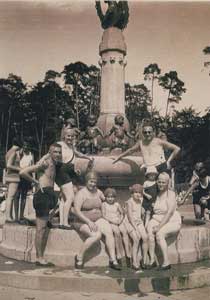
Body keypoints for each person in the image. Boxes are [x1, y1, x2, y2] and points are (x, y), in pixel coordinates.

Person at [20, 143, 62, 266]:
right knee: (41, 229)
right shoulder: (45, 163)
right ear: (50, 152)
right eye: (55, 152)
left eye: (59, 152)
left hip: (49, 194)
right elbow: (23, 172)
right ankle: (39, 257)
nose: (58, 154)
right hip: (42, 195)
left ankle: (40, 255)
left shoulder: (54, 163)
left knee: (44, 225)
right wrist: (35, 182)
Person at [73, 171, 121, 270]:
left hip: (98, 219)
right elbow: (76, 211)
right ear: (86, 181)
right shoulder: (81, 194)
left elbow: (108, 200)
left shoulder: (98, 192)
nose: (93, 184)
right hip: (82, 221)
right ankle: (79, 257)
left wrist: (116, 210)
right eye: (91, 181)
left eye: (95, 182)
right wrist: (88, 222)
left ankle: (113, 259)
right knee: (97, 235)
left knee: (109, 231)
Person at [56, 128, 94, 229]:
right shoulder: (59, 145)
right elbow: (53, 156)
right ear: (64, 136)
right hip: (62, 171)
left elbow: (76, 154)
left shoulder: (71, 146)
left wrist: (87, 158)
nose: (70, 138)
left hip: (68, 171)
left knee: (64, 199)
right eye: (68, 136)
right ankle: (64, 223)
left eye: (72, 136)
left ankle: (61, 222)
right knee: (70, 197)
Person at [113, 120, 180, 175]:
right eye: (145, 132)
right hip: (149, 169)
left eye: (149, 132)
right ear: (143, 133)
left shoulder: (158, 141)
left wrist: (168, 161)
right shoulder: (141, 142)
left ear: (153, 132)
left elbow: (177, 149)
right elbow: (130, 150)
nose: (147, 134)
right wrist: (119, 156)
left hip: (161, 167)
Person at [147, 172, 182, 270]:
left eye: (163, 182)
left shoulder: (170, 194)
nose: (161, 184)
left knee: (159, 234)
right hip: (157, 218)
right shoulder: (156, 193)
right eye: (159, 182)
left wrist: (159, 227)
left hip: (171, 220)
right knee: (149, 232)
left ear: (167, 183)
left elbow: (169, 213)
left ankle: (166, 263)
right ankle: (152, 260)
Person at [102, 188, 131, 267]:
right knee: (117, 232)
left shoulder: (117, 204)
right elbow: (104, 216)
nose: (110, 199)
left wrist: (120, 220)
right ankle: (119, 254)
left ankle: (128, 254)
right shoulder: (104, 204)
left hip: (118, 220)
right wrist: (112, 221)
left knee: (124, 232)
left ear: (114, 197)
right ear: (105, 197)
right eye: (108, 197)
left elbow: (122, 213)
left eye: (112, 197)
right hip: (110, 221)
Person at [126, 184, 148, 271]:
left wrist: (143, 211)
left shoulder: (140, 201)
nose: (137, 194)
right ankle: (134, 262)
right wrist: (136, 229)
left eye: (139, 193)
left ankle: (144, 260)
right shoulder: (129, 202)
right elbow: (130, 217)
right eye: (135, 192)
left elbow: (141, 211)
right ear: (132, 193)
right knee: (136, 238)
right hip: (130, 223)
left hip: (138, 222)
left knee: (145, 238)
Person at [5, 138, 23, 222]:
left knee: (10, 197)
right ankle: (8, 217)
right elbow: (9, 165)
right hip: (13, 177)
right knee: (11, 197)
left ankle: (9, 216)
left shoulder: (9, 151)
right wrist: (19, 168)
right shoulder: (14, 153)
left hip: (9, 177)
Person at [16, 141, 34, 223]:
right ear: (22, 146)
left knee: (23, 196)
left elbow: (33, 167)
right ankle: (16, 216)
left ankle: (21, 215)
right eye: (24, 145)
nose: (26, 147)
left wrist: (33, 179)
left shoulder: (31, 155)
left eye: (27, 145)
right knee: (17, 195)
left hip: (27, 175)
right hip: (19, 175)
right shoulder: (19, 153)